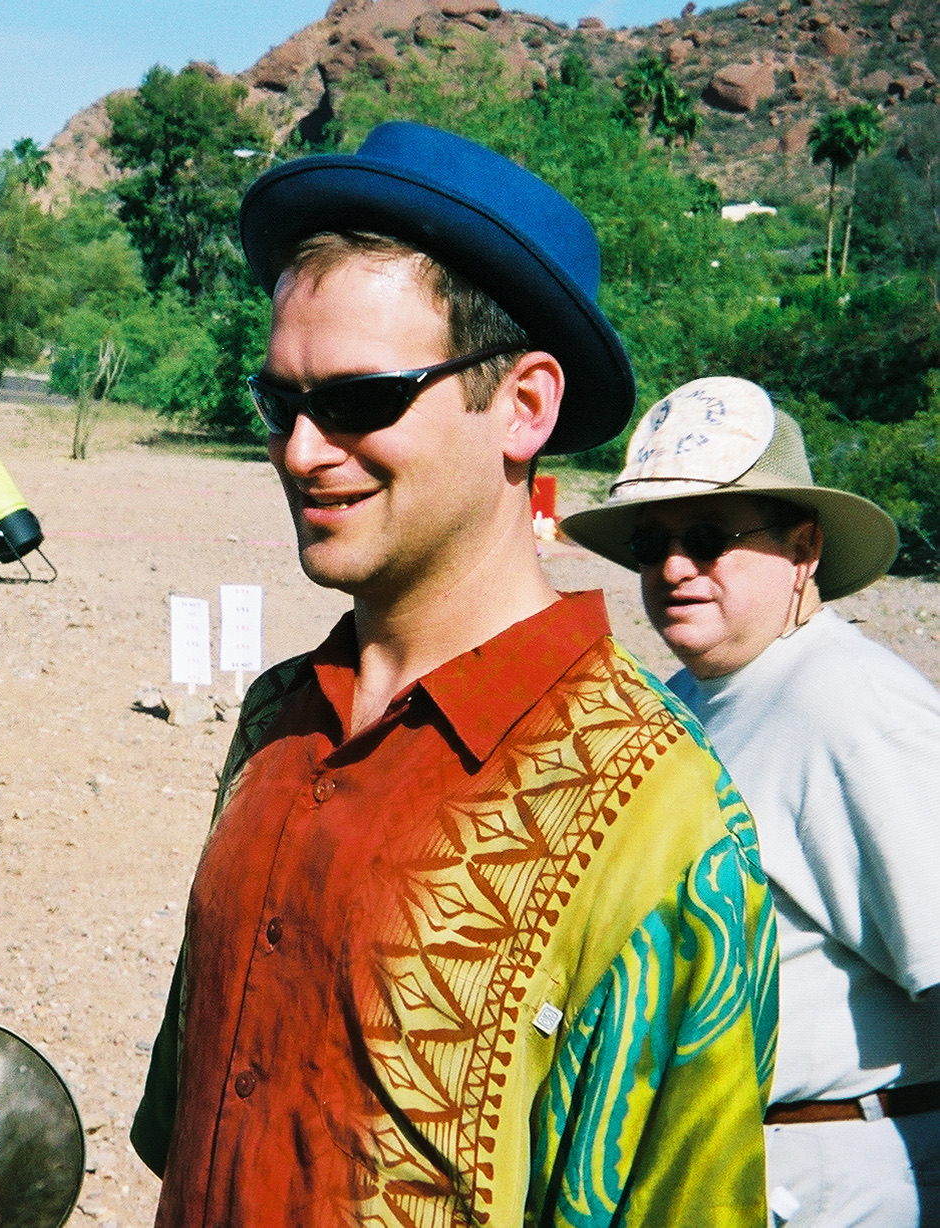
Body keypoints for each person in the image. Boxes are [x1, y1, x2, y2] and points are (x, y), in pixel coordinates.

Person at [130, 123, 779, 1227]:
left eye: (360, 400)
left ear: (524, 407)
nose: (301, 451)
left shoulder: (666, 818)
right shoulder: (276, 717)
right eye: (282, 403)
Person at [562, 376, 940, 1227]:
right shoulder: (685, 702)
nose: (673, 568)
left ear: (803, 548)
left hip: (839, 1174)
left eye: (708, 538)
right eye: (651, 544)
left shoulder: (849, 705)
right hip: (725, 1173)